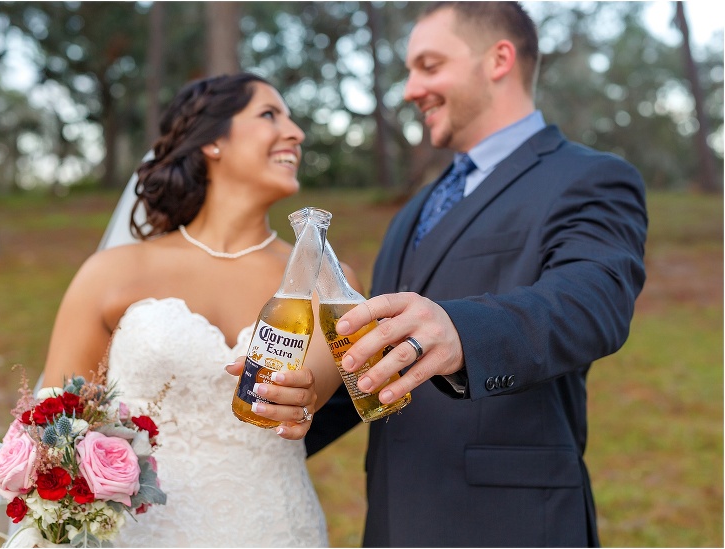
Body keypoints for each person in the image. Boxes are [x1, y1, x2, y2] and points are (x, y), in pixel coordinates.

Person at [306, 2, 648, 547]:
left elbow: (592, 302)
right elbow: (388, 362)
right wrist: (298, 410)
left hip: (510, 524)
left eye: (429, 65)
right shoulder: (411, 213)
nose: (410, 89)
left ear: (498, 60)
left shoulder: (591, 177)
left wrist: (461, 331)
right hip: (395, 522)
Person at [38, 73, 356, 547]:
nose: (296, 132)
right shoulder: (112, 272)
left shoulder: (327, 281)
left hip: (277, 527)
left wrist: (299, 396)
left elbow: (312, 388)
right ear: (212, 141)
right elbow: (52, 421)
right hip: (141, 533)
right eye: (270, 114)